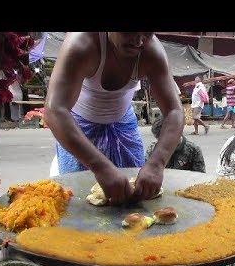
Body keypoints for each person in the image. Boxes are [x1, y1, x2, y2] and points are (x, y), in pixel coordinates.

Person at [45, 32, 184, 205]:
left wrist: (157, 164)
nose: (139, 40)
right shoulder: (81, 44)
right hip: (78, 127)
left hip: (123, 125)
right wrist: (100, 167)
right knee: (79, 202)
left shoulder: (151, 51)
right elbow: (54, 110)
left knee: (135, 198)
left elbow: (174, 111)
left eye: (147, 33)